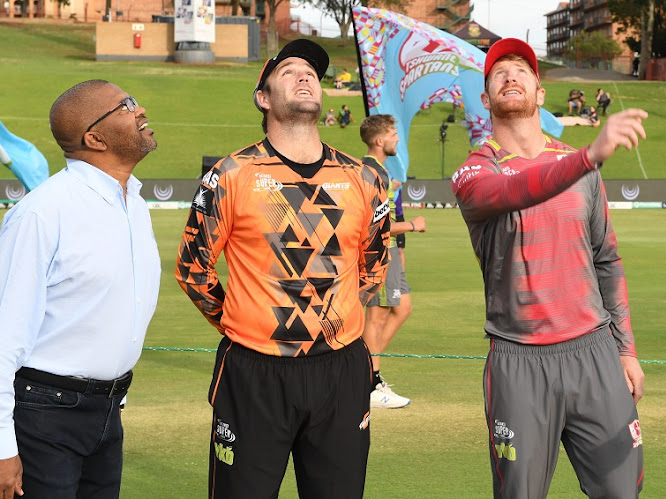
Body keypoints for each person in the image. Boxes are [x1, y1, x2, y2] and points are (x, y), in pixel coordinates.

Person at [174, 39, 391, 498]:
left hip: (341, 367)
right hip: (253, 371)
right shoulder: (230, 175)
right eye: (289, 68)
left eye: (312, 70)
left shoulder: (365, 177)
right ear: (264, 96)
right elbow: (193, 269)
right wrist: (242, 322)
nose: (305, 74)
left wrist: (331, 320)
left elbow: (374, 267)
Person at [451, 38, 647, 498]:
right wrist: (587, 156)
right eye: (498, 73)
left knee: (622, 492)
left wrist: (626, 349)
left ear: (540, 93)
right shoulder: (474, 171)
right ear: (486, 99)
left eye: (521, 70)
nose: (510, 76)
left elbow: (607, 261)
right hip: (518, 361)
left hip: (595, 354)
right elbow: (512, 191)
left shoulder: (582, 171)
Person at [0, 79, 161, 498]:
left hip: (108, 410)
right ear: (94, 137)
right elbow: (3, 337)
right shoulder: (41, 214)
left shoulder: (135, 206)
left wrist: (113, 399)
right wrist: (2, 447)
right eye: (126, 105)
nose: (140, 109)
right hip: (43, 414)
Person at [359, 114, 426, 409]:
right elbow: (377, 225)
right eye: (392, 133)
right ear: (379, 140)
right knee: (378, 316)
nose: (397, 138)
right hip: (377, 254)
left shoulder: (377, 173)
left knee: (402, 308)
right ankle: (367, 381)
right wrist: (413, 225)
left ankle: (360, 373)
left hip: (387, 253)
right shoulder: (372, 173)